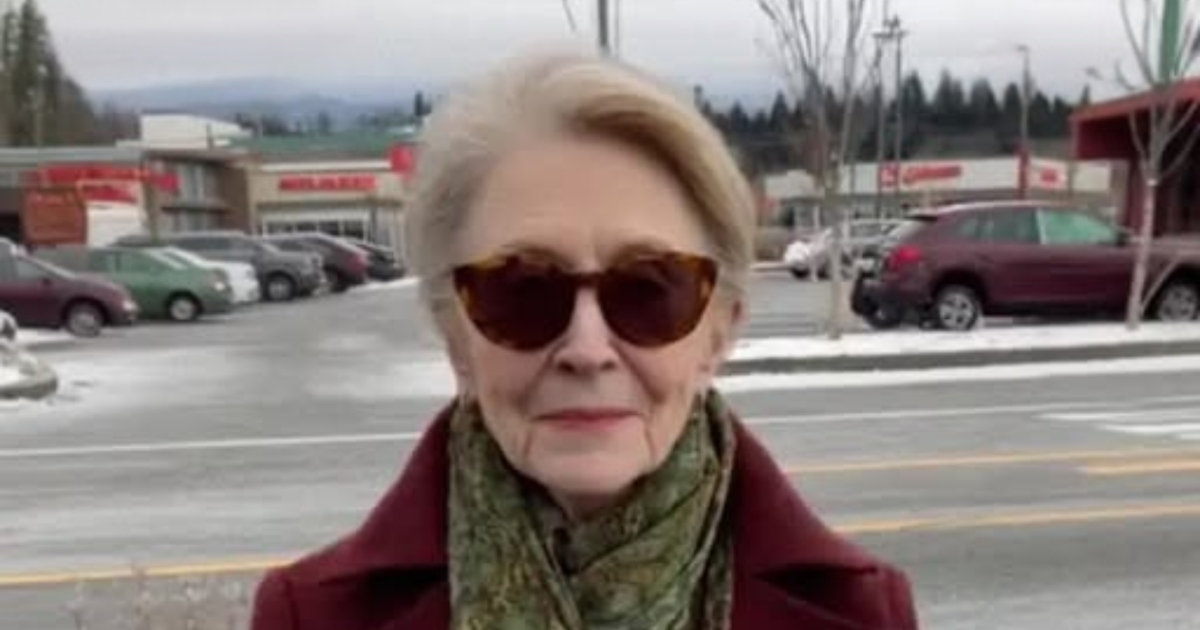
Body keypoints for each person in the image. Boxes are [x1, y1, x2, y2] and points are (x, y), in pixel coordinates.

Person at [250, 50, 919, 630]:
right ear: (455, 336)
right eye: (523, 290)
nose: (587, 349)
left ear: (720, 332)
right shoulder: (311, 617)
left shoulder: (862, 613)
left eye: (648, 289)